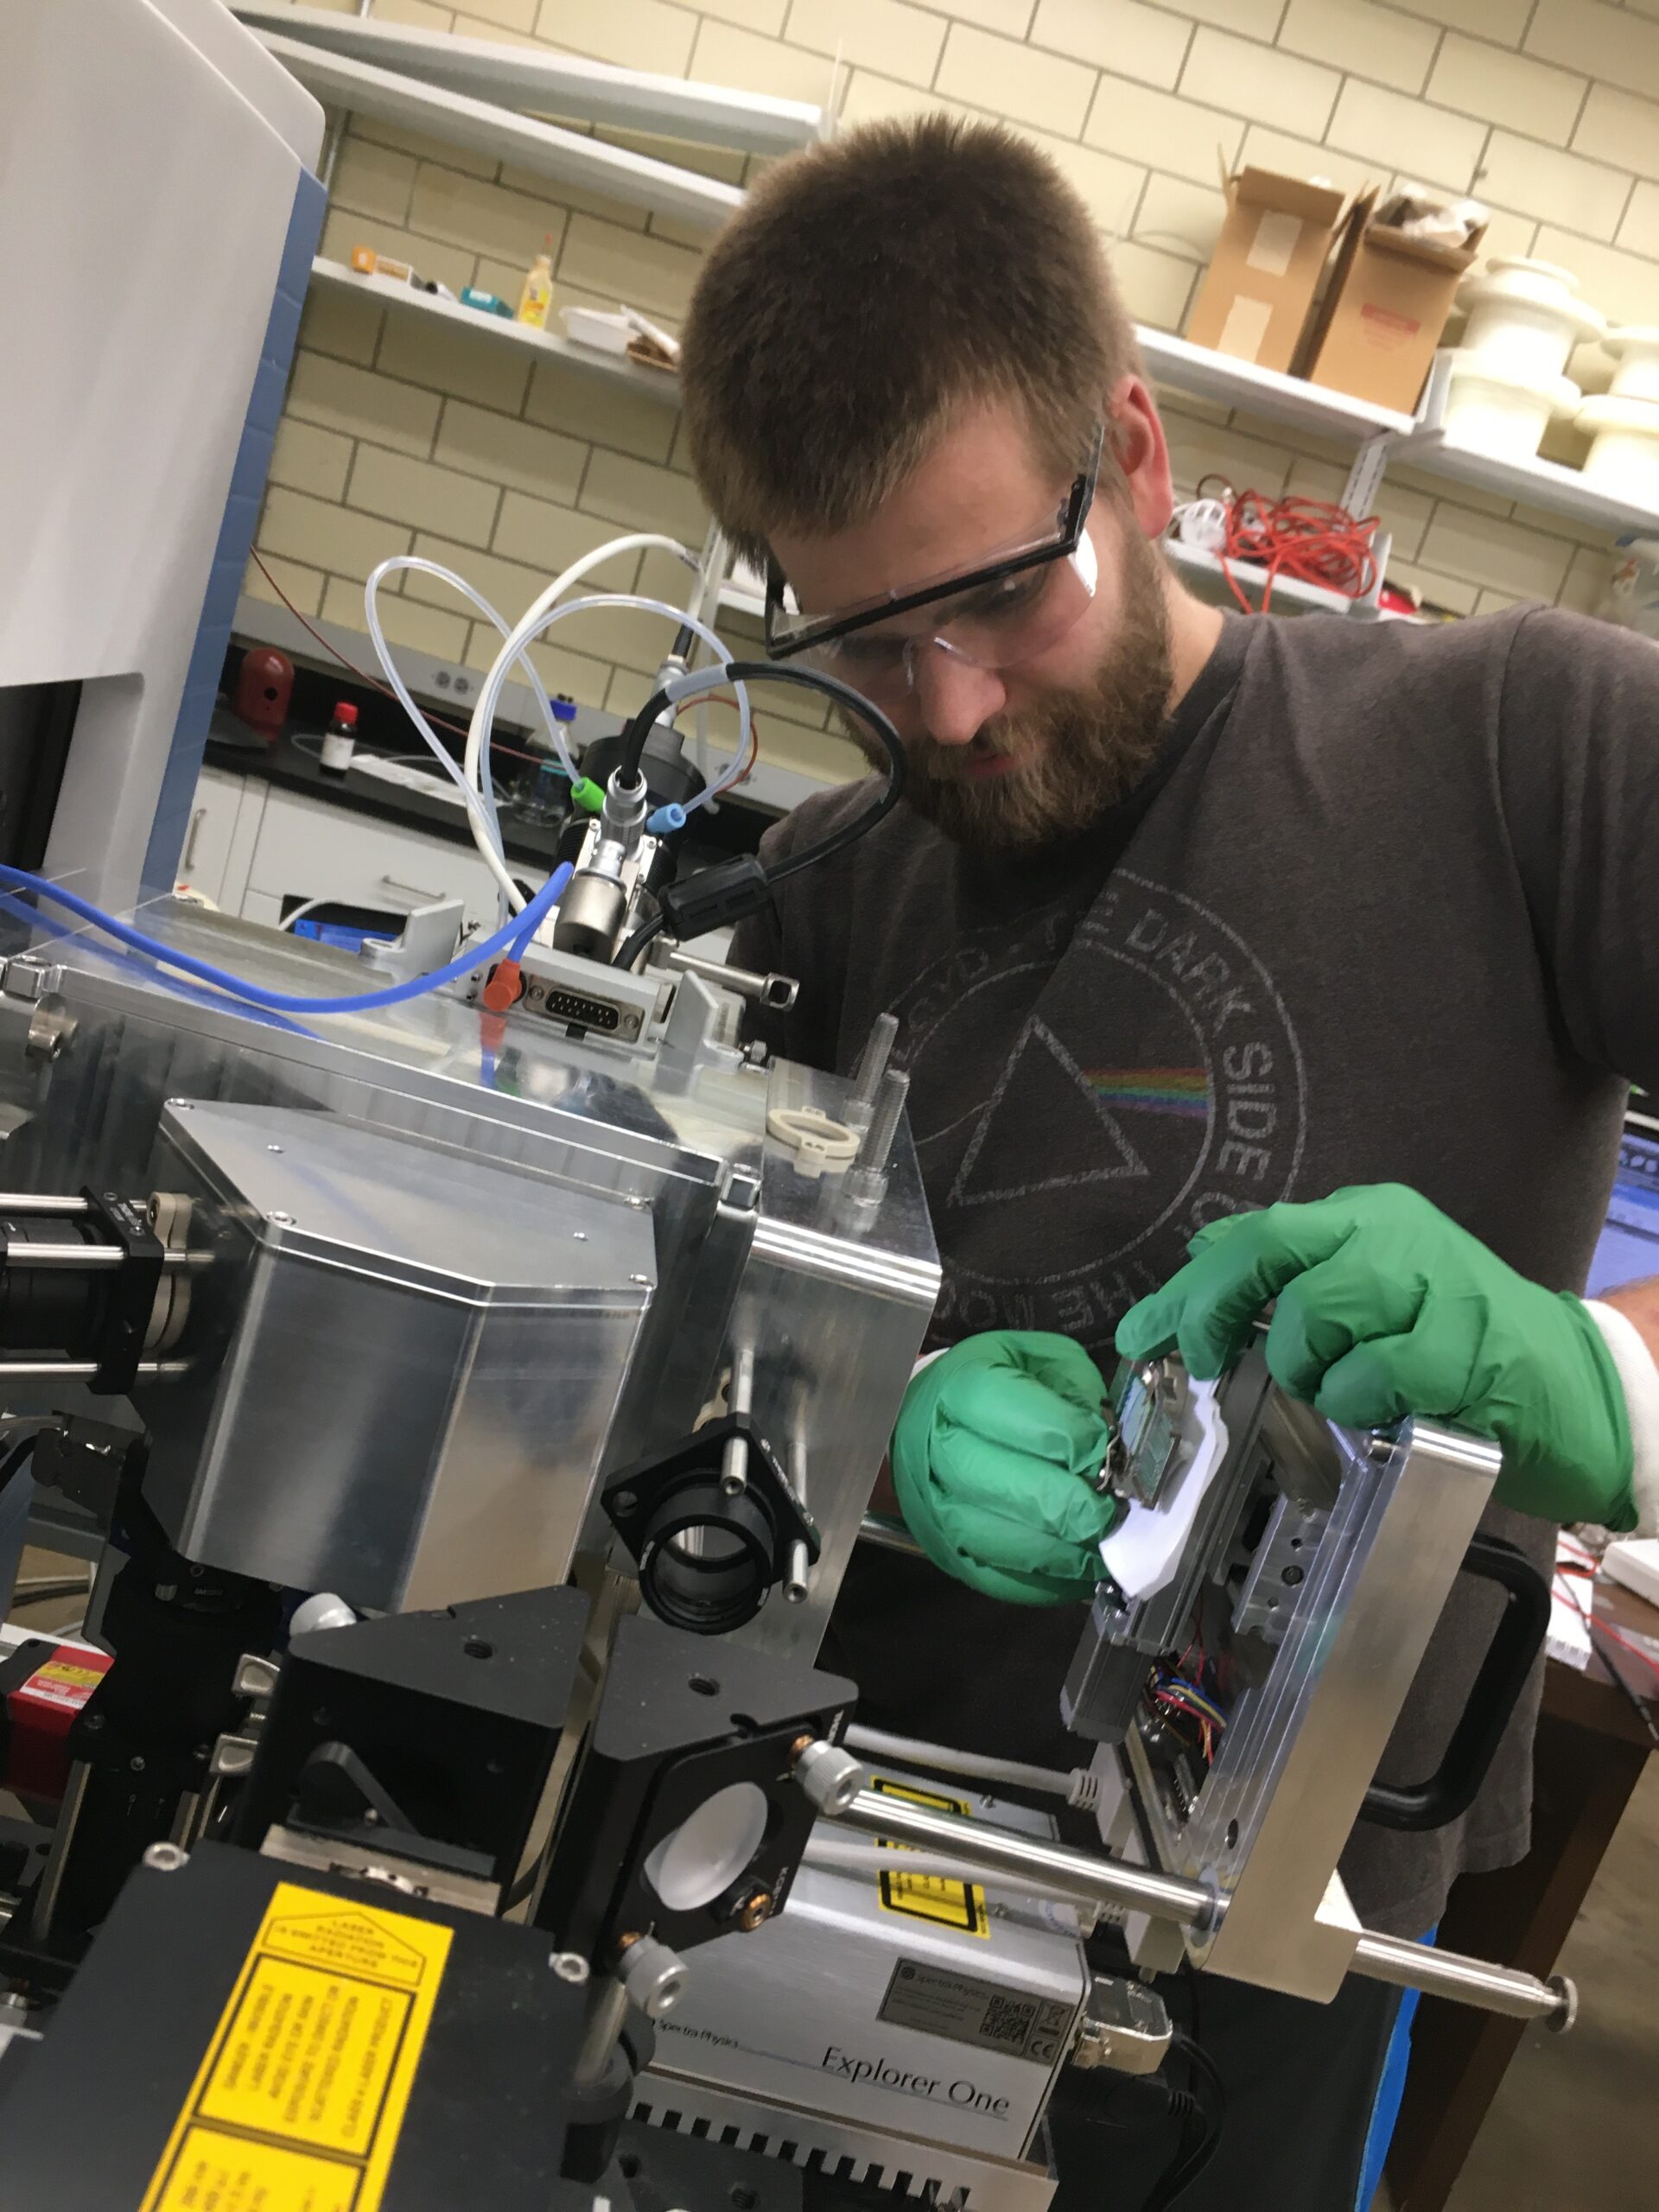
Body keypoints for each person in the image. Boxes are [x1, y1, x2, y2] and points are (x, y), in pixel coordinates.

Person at [677, 115, 1659, 2209]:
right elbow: (678, 1327)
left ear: (1131, 456)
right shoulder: (838, 876)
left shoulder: (1525, 752)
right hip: (819, 1850)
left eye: (999, 599)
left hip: (1265, 1955)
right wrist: (860, 1408)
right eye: (864, 645)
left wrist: (1609, 1380)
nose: (945, 711)